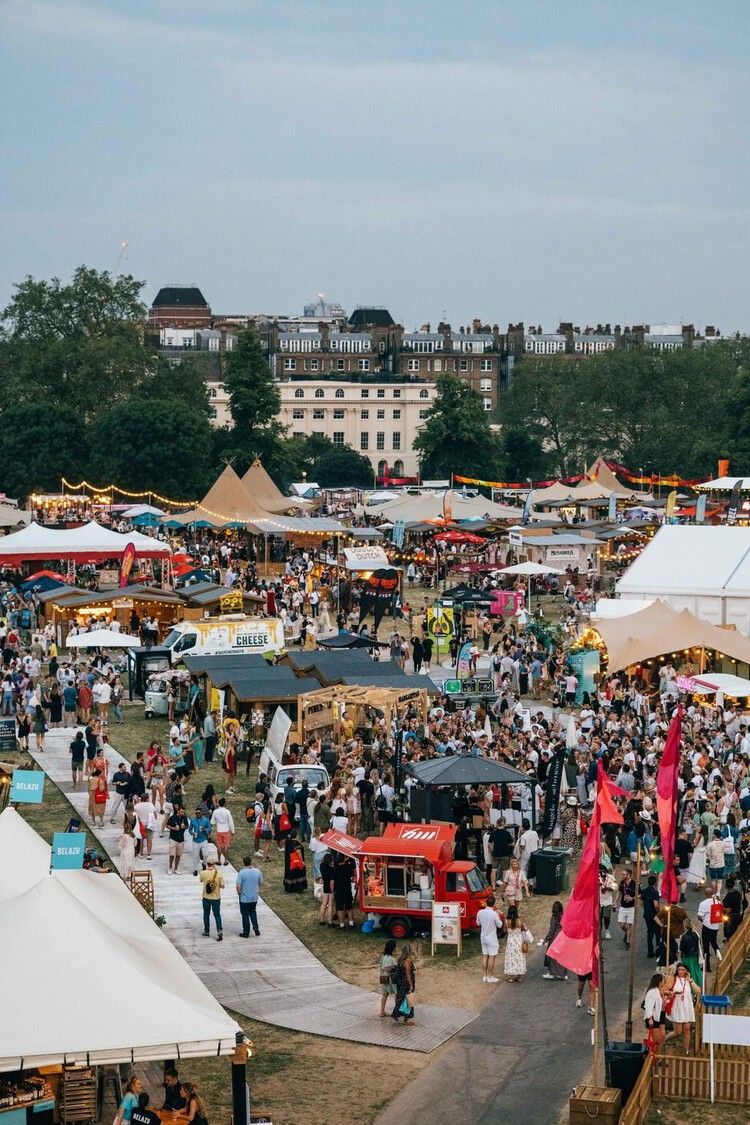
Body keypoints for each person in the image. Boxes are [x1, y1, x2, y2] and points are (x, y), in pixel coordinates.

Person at [665, 962, 701, 1054]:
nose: (681, 971)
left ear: (686, 971)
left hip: (687, 1007)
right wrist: (671, 993)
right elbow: (665, 990)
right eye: (679, 969)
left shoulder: (688, 980)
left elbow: (698, 991)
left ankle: (686, 1051)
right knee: (678, 1032)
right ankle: (664, 1039)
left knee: (687, 1030)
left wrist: (690, 980)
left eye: (683, 969)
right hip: (677, 1006)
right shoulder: (673, 979)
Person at [476, 894, 505, 983]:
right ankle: (490, 976)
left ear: (486, 903)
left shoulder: (480, 912)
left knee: (485, 956)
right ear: (494, 904)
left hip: (483, 936)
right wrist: (499, 915)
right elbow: (500, 925)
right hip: (491, 938)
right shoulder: (494, 914)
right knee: (492, 957)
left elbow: (478, 923)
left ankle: (484, 975)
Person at [504, 904, 532, 982]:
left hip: (510, 943)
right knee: (519, 957)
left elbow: (504, 931)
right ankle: (519, 977)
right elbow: (524, 929)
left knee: (510, 958)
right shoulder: (519, 921)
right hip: (518, 942)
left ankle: (510, 977)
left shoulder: (506, 922)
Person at [236, 854, 263, 937]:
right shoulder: (257, 871)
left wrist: (239, 892)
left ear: (244, 863)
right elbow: (260, 882)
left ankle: (246, 932)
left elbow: (238, 885)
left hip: (245, 898)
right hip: (254, 897)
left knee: (245, 915)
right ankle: (256, 928)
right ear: (251, 862)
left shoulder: (241, 872)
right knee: (253, 912)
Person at [541, 900, 567, 980]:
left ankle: (551, 973)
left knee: (551, 955)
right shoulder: (564, 915)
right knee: (562, 955)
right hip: (563, 937)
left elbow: (551, 930)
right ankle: (564, 973)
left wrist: (546, 940)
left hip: (555, 938)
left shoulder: (554, 917)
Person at [200, 857, 225, 941]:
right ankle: (219, 930)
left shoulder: (203, 873)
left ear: (207, 864)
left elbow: (201, 880)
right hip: (216, 898)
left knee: (206, 915)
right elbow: (223, 886)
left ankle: (207, 931)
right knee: (217, 915)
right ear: (214, 864)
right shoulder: (219, 873)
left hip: (206, 897)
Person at [697, 890, 722, 972]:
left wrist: (704, 920)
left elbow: (699, 917)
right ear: (712, 894)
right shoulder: (718, 902)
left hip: (707, 927)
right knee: (714, 943)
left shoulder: (703, 904)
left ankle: (706, 966)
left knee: (706, 947)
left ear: (705, 894)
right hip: (715, 927)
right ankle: (719, 957)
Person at [391, 943, 416, 1023]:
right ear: (409, 951)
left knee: (401, 999)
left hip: (401, 982)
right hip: (406, 983)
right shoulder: (407, 960)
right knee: (409, 1000)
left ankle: (396, 1014)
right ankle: (406, 1019)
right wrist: (411, 985)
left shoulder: (400, 959)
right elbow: (408, 974)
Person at [643, 973, 666, 1052]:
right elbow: (648, 1006)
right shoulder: (652, 992)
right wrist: (650, 1018)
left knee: (660, 1038)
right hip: (652, 1018)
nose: (663, 983)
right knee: (657, 1040)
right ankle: (654, 1056)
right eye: (663, 981)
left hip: (656, 1017)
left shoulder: (656, 991)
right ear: (659, 982)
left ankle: (656, 1056)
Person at [640, 874, 661, 959]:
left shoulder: (644, 891)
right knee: (657, 933)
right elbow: (656, 905)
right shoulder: (655, 892)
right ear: (655, 883)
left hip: (647, 914)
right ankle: (658, 951)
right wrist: (659, 912)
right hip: (654, 915)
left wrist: (646, 908)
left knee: (650, 933)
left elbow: (641, 902)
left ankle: (650, 952)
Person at [210, 798, 235, 866]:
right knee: (226, 846)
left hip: (219, 831)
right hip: (226, 831)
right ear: (224, 804)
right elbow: (231, 822)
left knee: (219, 847)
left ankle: (219, 860)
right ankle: (225, 861)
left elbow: (212, 822)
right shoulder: (227, 812)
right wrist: (233, 831)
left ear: (219, 804)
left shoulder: (215, 811)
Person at [678, 919, 703, 987]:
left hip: (687, 957)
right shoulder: (695, 934)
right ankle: (699, 985)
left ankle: (691, 987)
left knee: (690, 972)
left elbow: (682, 948)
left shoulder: (684, 936)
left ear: (685, 926)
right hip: (695, 956)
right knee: (696, 970)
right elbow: (699, 943)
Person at [617, 868, 637, 950]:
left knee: (629, 926)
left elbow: (640, 894)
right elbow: (619, 893)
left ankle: (628, 942)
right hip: (623, 907)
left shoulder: (634, 884)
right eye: (622, 874)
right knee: (621, 925)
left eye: (624, 874)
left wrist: (633, 898)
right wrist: (615, 902)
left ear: (629, 875)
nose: (622, 876)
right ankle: (626, 933)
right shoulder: (622, 883)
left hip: (631, 908)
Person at [167, 802, 189, 875]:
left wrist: (184, 827)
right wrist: (173, 828)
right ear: (178, 811)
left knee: (178, 855)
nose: (183, 813)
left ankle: (176, 868)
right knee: (172, 855)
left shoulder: (184, 818)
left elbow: (187, 826)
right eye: (181, 812)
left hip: (181, 839)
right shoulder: (172, 817)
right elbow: (167, 825)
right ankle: (170, 867)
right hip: (173, 838)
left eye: (183, 812)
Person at [284, 829, 308, 894]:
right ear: (296, 835)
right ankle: (297, 888)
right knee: (297, 873)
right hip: (296, 862)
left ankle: (290, 888)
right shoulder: (296, 843)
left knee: (290, 873)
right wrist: (302, 861)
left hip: (289, 861)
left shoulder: (288, 841)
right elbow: (298, 852)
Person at [379, 938, 398, 1016]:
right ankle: (397, 1011)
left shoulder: (383, 956)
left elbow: (381, 967)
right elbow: (386, 968)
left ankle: (382, 1012)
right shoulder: (390, 958)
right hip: (390, 979)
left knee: (384, 994)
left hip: (382, 978)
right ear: (392, 948)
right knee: (397, 994)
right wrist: (394, 967)